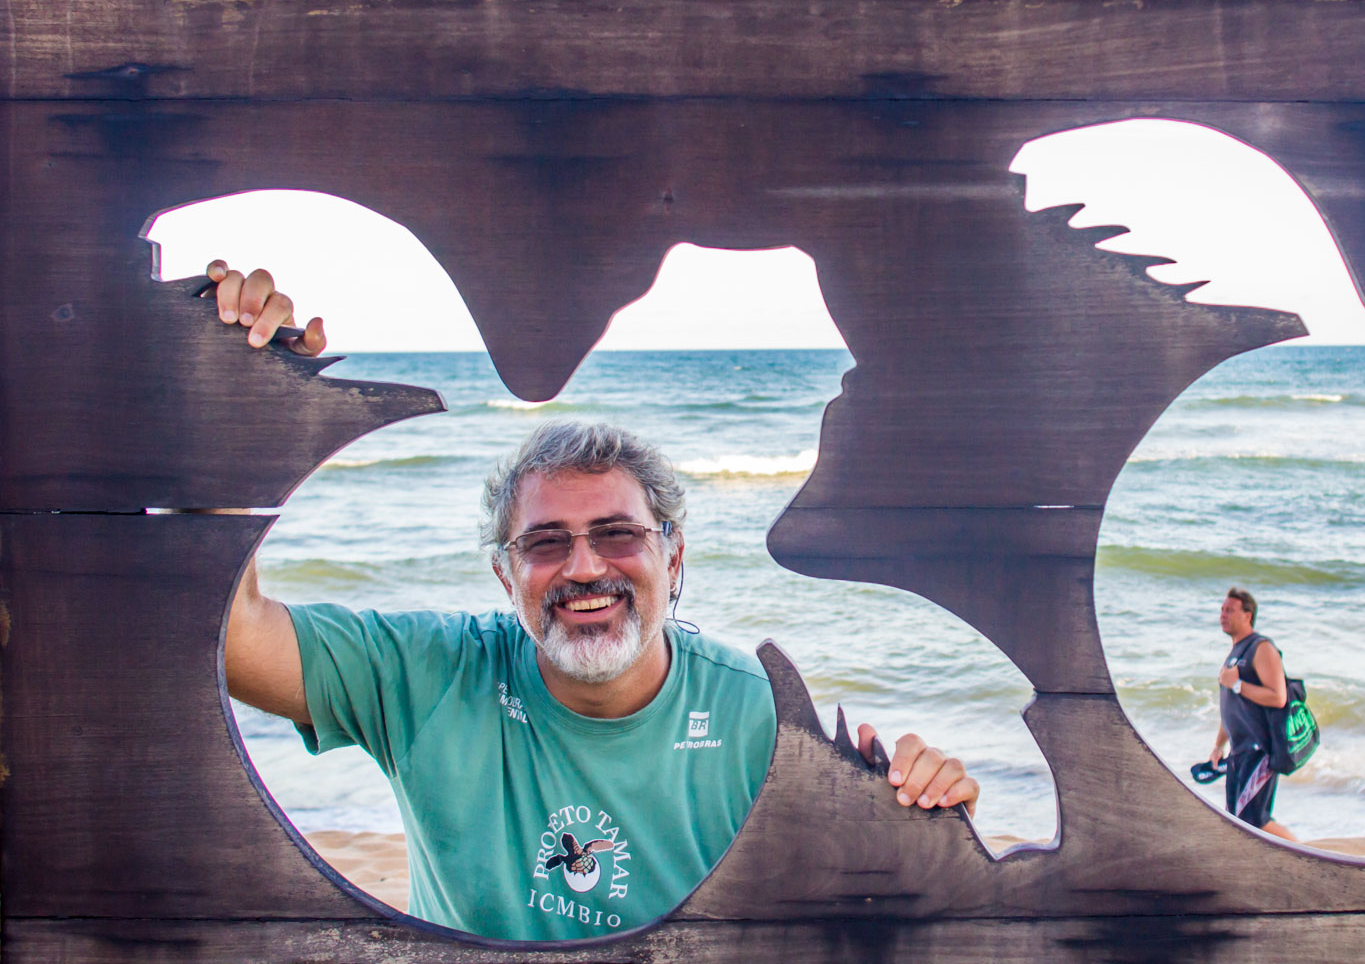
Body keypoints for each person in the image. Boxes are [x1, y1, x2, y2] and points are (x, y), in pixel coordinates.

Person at [209, 261, 979, 941]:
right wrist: (236, 418)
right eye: (545, 542)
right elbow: (235, 641)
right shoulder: (430, 677)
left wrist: (930, 809)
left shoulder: (756, 720)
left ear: (672, 556)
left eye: (617, 534)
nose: (583, 567)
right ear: (505, 576)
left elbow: (873, 905)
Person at [1206, 586, 1298, 841]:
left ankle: (1307, 855)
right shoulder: (1234, 654)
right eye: (1222, 609)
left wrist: (1237, 684)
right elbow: (1230, 708)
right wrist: (1218, 746)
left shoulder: (1261, 647)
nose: (1223, 614)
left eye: (1230, 610)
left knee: (1256, 821)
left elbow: (1278, 697)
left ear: (1247, 615)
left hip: (1260, 750)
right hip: (1239, 751)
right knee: (1237, 819)